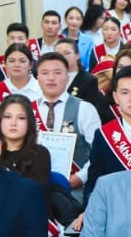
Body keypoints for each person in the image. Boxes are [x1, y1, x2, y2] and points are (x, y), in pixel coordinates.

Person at [84, 67, 131, 201]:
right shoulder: (104, 135)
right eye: (125, 92)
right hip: (115, 207)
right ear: (116, 97)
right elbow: (93, 184)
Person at [34, 52, 102, 190]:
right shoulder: (28, 110)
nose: (51, 78)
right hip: (35, 186)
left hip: (74, 189)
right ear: (37, 78)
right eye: (45, 73)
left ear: (67, 78)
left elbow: (98, 151)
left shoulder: (84, 109)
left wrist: (80, 177)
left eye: (57, 73)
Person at [0, 95, 51, 187]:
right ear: (0, 120)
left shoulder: (40, 153)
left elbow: (34, 190)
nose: (13, 123)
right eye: (7, 117)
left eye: (21, 118)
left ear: (29, 122)